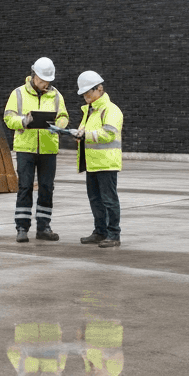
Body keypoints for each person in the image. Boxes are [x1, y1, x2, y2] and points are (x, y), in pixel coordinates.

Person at [2, 57, 69, 243]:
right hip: (26, 148)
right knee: (25, 187)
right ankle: (22, 227)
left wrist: (60, 124)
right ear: (33, 76)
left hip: (48, 148)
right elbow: (8, 118)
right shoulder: (18, 94)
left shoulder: (56, 96)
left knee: (47, 188)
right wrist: (24, 121)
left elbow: (64, 116)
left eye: (47, 80)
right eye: (41, 80)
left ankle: (44, 227)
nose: (45, 84)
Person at [72, 70, 124, 248]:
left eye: (88, 92)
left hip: (106, 163)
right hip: (92, 163)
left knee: (109, 200)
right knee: (95, 199)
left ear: (99, 89)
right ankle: (100, 231)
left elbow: (108, 134)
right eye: (83, 93)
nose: (85, 96)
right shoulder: (90, 111)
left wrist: (84, 134)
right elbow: (89, 134)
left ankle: (113, 234)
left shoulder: (111, 110)